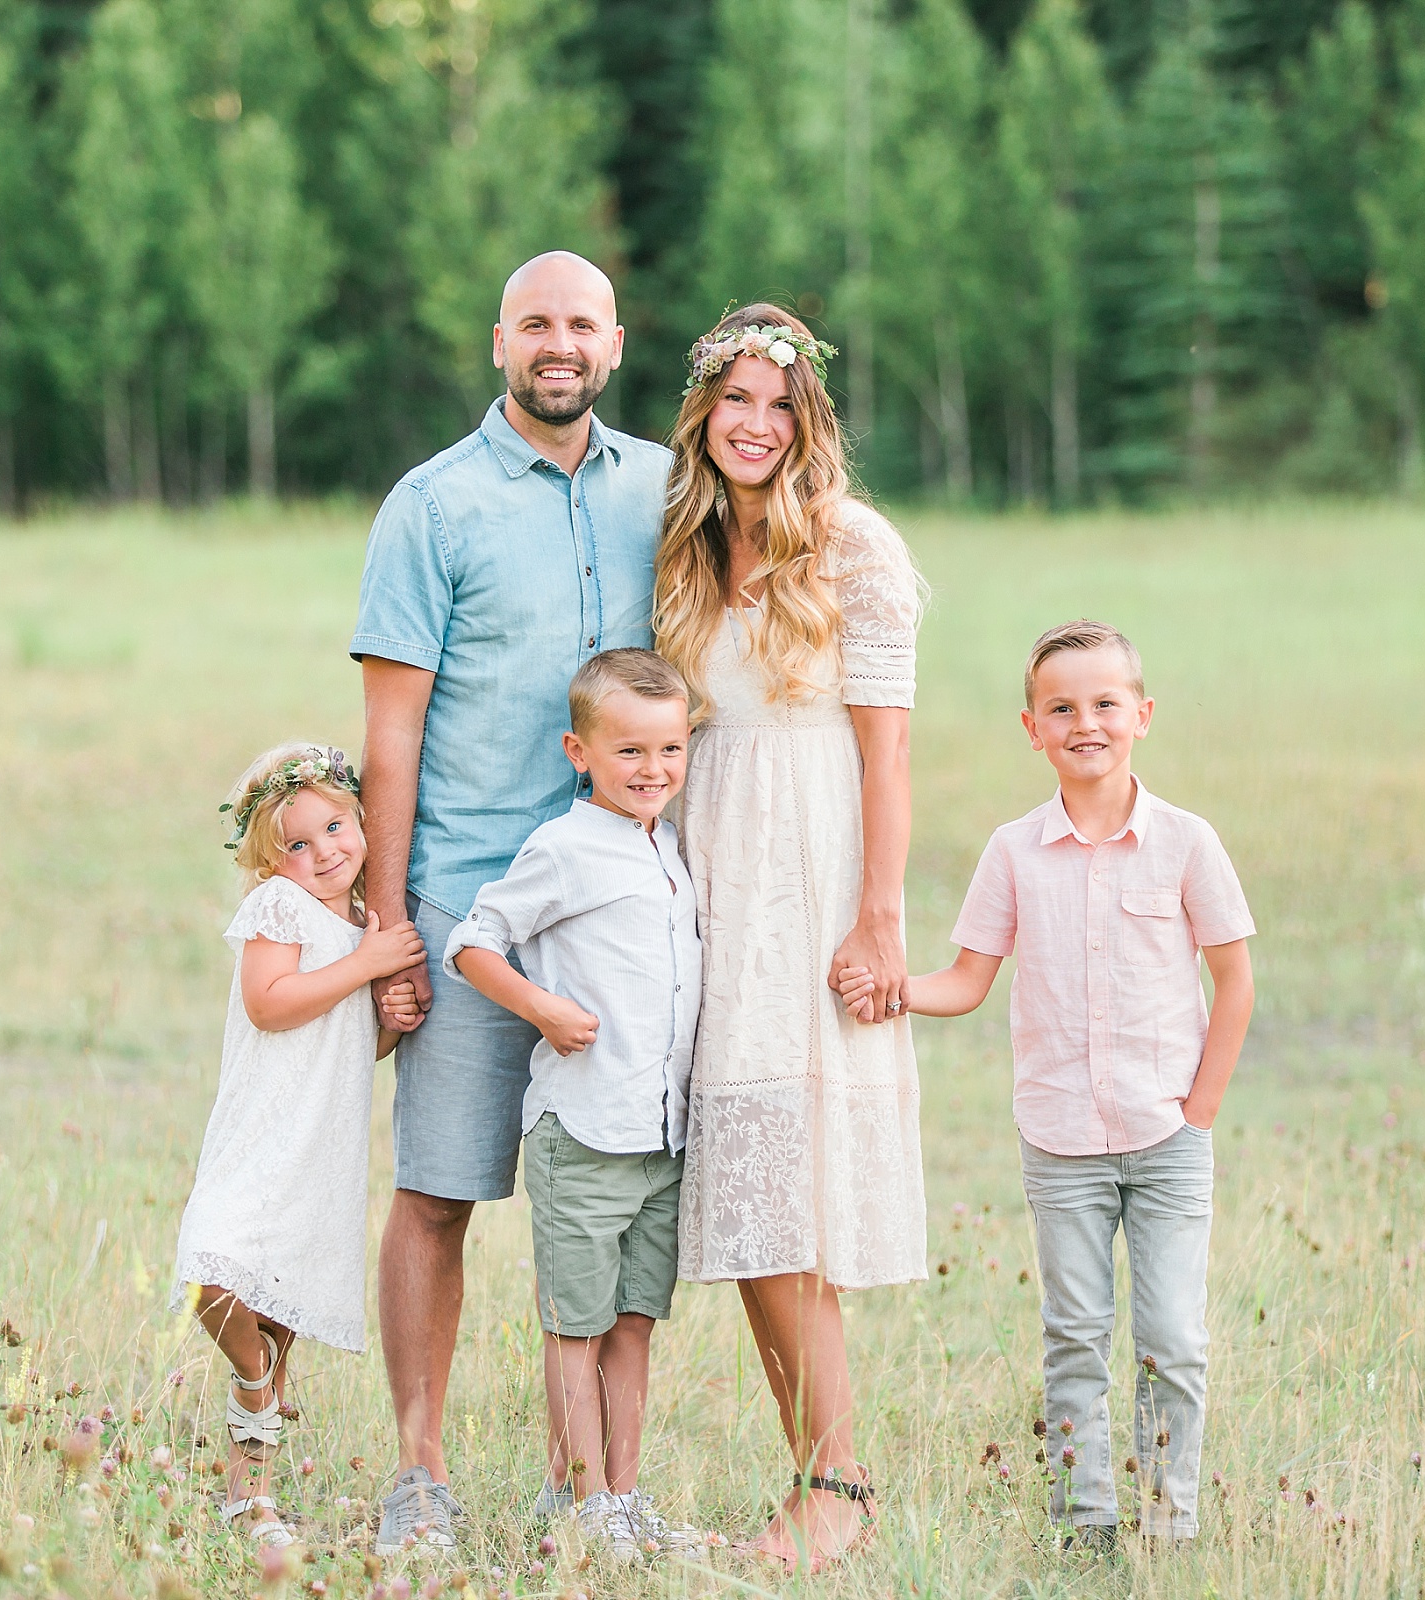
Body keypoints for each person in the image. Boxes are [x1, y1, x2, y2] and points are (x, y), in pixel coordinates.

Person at [348, 251, 672, 1554]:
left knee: (605, 1201)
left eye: (581, 324)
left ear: (615, 341)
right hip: (469, 910)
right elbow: (389, 739)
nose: (560, 343)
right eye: (536, 323)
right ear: (499, 343)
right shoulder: (431, 507)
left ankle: (588, 1484)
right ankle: (419, 1472)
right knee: (438, 1190)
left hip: (620, 928)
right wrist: (389, 935)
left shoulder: (666, 485)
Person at [863, 620, 1255, 1552]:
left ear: (1143, 717)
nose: (1087, 723)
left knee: (1174, 1341)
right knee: (1075, 1334)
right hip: (1061, 1144)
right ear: (1031, 728)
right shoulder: (1012, 852)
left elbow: (1235, 981)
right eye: (1062, 708)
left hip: (1167, 1140)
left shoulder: (1188, 844)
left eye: (1106, 704)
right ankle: (1085, 1524)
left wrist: (1198, 1110)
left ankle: (1169, 1524)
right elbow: (967, 980)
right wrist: (892, 990)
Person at [653, 304, 928, 1570]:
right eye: (734, 401)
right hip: (713, 871)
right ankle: (818, 1478)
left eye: (779, 404)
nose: (755, 425)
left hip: (812, 876)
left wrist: (879, 917)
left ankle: (840, 1487)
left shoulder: (855, 548)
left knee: (789, 1193)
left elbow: (888, 753)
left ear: (807, 420)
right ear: (704, 415)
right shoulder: (695, 545)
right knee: (752, 1185)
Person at [443, 650, 709, 1561]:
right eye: (630, 750)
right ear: (578, 750)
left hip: (661, 1135)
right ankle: (584, 1499)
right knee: (576, 1325)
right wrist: (541, 1007)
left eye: (669, 749)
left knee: (635, 1320)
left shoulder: (672, 846)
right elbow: (475, 941)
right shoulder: (563, 847)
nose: (653, 770)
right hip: (583, 1130)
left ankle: (622, 1498)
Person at [170, 742, 425, 1553]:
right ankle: (253, 1383)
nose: (327, 853)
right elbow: (272, 1003)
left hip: (322, 1141)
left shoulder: (356, 923)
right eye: (300, 845)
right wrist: (367, 963)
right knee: (217, 1274)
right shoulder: (281, 912)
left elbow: (352, 1043)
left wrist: (390, 1018)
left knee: (279, 1313)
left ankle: (253, 1497)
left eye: (338, 827)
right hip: (262, 1131)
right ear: (270, 861)